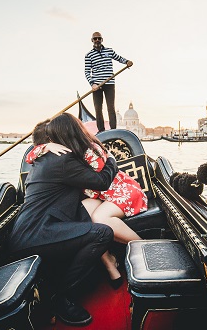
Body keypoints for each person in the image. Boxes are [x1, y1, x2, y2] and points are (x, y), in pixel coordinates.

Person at [8, 115, 119, 326]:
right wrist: (111, 160)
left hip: (29, 232)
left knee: (85, 216)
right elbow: (102, 181)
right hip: (37, 234)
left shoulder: (41, 159)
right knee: (102, 233)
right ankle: (61, 297)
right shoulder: (62, 161)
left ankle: (99, 268)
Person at [26, 114, 147, 287]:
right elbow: (29, 157)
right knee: (82, 217)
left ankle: (144, 247)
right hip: (99, 196)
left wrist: (111, 159)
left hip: (120, 190)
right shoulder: (61, 151)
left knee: (99, 220)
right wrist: (45, 147)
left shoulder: (87, 148)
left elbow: (101, 181)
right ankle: (109, 262)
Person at [84, 31, 133, 133]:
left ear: (102, 40)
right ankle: (101, 130)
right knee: (98, 109)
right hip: (96, 85)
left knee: (111, 107)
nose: (97, 40)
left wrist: (127, 62)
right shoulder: (89, 55)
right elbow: (87, 71)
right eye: (95, 38)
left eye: (99, 38)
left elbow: (118, 58)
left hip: (109, 83)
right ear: (92, 41)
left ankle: (113, 130)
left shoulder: (109, 51)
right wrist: (92, 84)